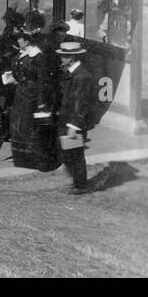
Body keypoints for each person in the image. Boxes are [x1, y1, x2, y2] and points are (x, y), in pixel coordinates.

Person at [7, 29, 62, 172]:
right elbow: (17, 71)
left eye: (20, 39)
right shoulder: (21, 54)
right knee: (19, 124)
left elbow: (42, 80)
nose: (17, 41)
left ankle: (36, 159)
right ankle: (22, 158)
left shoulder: (38, 57)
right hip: (20, 93)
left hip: (32, 95)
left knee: (30, 126)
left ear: (27, 41)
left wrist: (41, 102)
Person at [56, 40, 94, 194]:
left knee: (76, 154)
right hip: (67, 119)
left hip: (74, 122)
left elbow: (80, 104)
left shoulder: (81, 77)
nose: (61, 59)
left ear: (72, 57)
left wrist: (73, 125)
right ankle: (78, 182)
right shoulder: (72, 73)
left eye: (64, 56)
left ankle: (80, 185)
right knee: (70, 153)